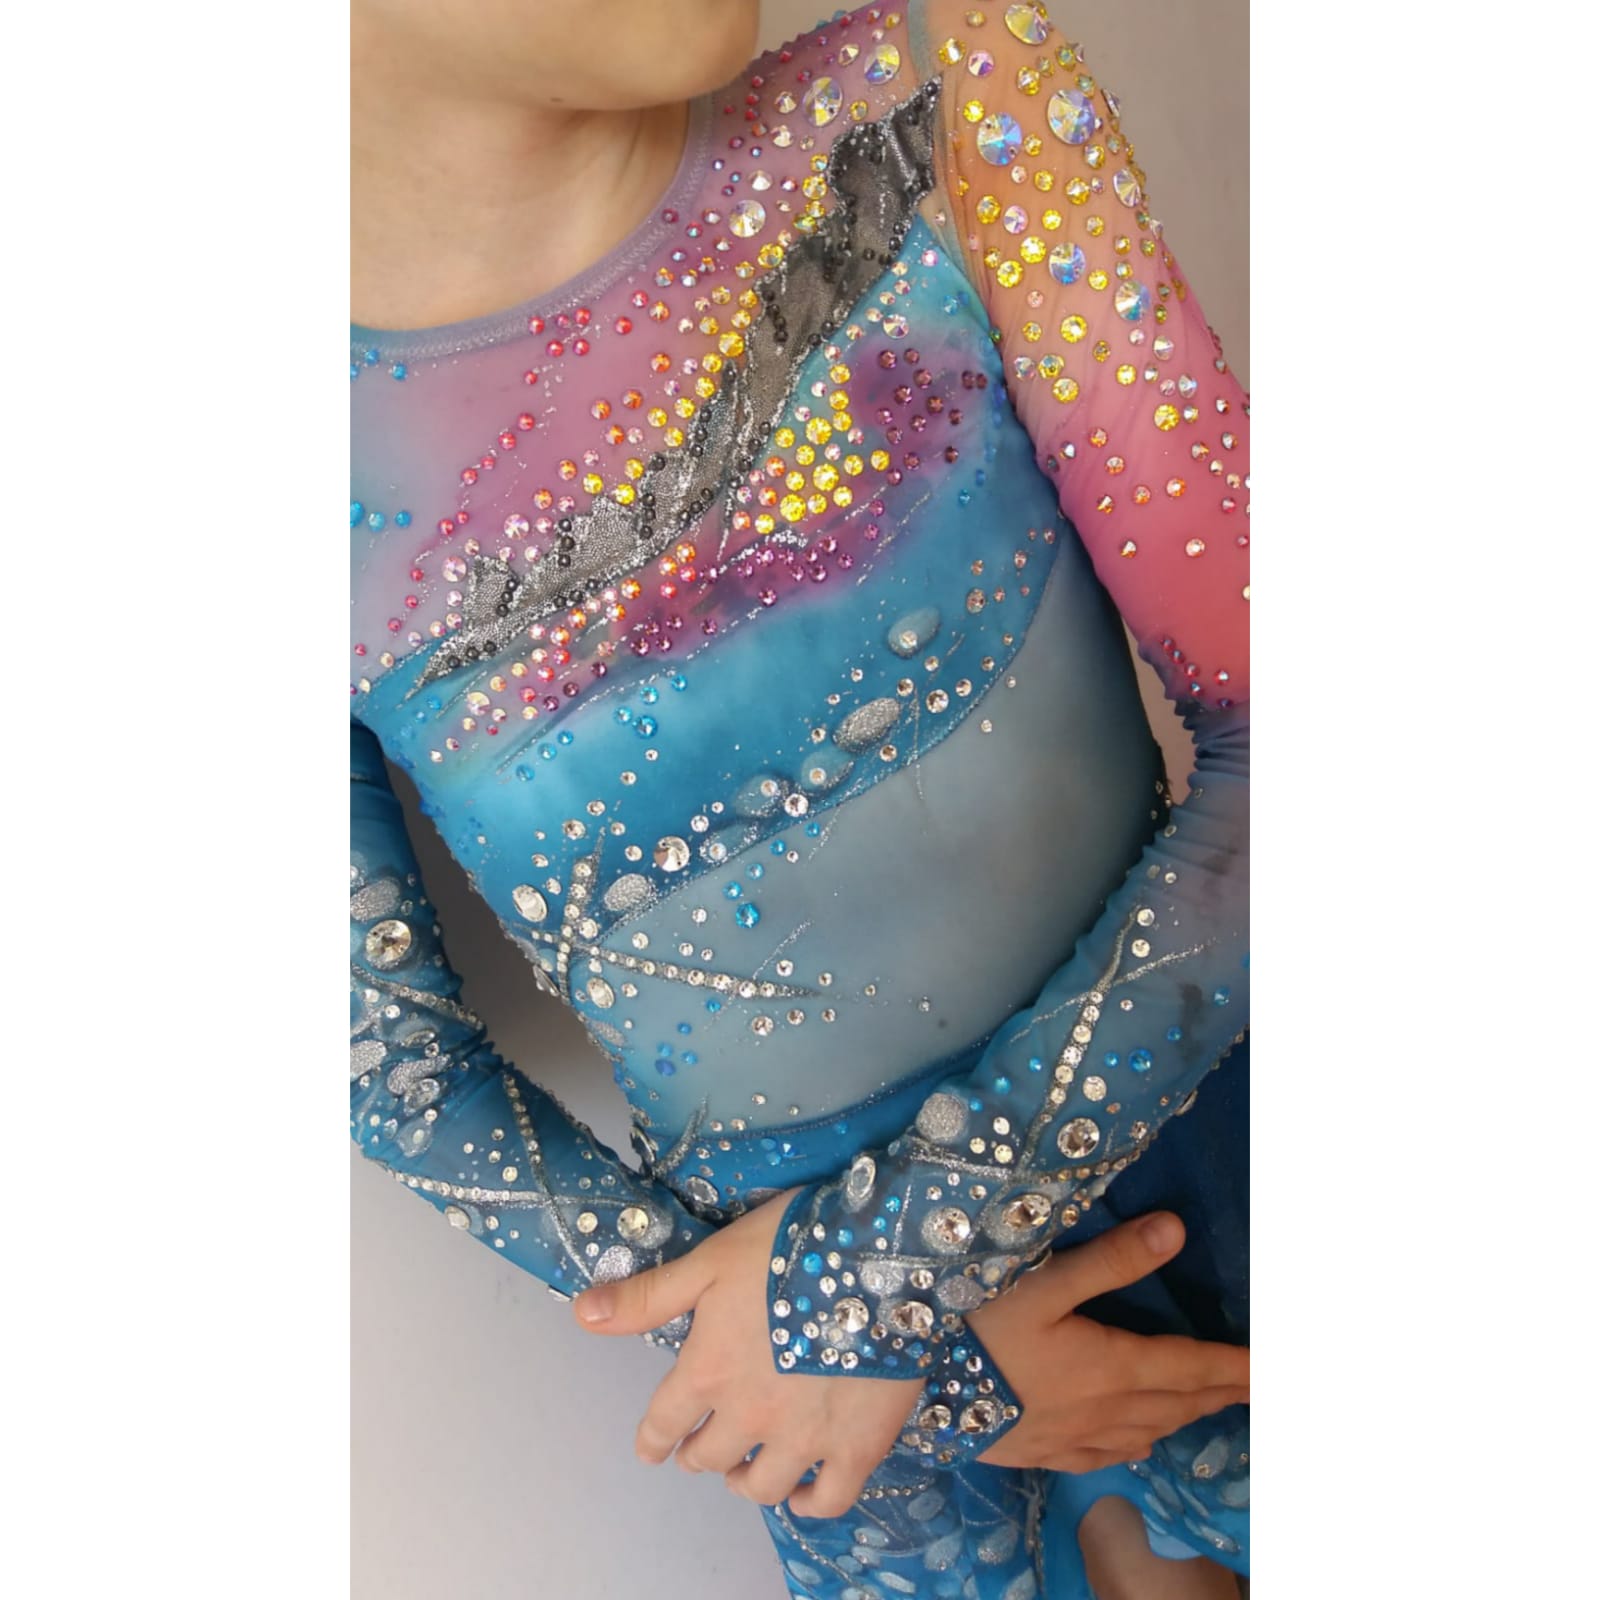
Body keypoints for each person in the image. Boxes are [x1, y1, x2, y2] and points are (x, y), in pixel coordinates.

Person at [350, 2, 1250, 1595]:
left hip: (1205, 1165)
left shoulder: (946, 88)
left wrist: (889, 1273)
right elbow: (388, 1062)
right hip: (836, 1403)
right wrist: (924, 1372)